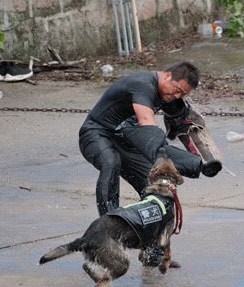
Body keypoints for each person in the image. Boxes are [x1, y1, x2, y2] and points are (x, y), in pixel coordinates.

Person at [78, 61, 222, 265]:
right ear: (167, 76)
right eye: (177, 90)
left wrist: (183, 126)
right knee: (111, 162)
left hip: (123, 139)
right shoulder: (143, 84)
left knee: (156, 187)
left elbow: (178, 119)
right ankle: (109, 225)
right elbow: (146, 122)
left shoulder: (168, 93)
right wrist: (161, 153)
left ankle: (153, 249)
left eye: (183, 94)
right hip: (95, 134)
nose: (177, 96)